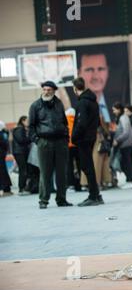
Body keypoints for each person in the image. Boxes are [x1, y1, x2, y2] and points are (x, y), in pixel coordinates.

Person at [28, 81, 72, 209]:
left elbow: (64, 122)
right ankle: (43, 200)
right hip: (44, 142)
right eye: (44, 89)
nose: (46, 92)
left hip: (60, 142)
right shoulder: (35, 106)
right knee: (45, 173)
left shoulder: (59, 104)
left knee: (61, 173)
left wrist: (66, 138)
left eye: (49, 90)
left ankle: (61, 199)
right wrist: (37, 140)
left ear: (54, 91)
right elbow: (31, 126)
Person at [72, 77, 104, 206]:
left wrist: (74, 136)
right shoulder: (93, 101)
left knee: (87, 167)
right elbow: (97, 121)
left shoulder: (82, 103)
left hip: (83, 139)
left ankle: (93, 196)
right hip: (90, 137)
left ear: (75, 88)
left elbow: (81, 123)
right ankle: (96, 195)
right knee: (88, 166)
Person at [78, 52, 112, 124]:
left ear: (108, 71)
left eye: (101, 69)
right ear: (79, 73)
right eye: (89, 70)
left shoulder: (117, 102)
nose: (96, 77)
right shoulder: (73, 106)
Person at [112, 102, 132, 189]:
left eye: (114, 110)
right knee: (124, 162)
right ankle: (129, 179)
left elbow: (126, 132)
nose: (113, 112)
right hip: (123, 144)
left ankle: (130, 181)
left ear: (119, 109)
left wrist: (117, 140)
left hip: (126, 143)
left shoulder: (123, 118)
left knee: (126, 162)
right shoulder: (120, 118)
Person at [12, 116, 32, 195]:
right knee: (23, 170)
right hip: (19, 152)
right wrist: (30, 139)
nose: (28, 122)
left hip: (20, 152)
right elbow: (21, 140)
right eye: (27, 121)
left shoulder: (21, 129)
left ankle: (22, 187)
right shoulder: (19, 129)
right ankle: (21, 188)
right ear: (23, 121)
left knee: (23, 170)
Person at [65, 108, 81, 192]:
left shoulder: (64, 121)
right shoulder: (77, 120)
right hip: (77, 145)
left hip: (67, 145)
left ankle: (71, 184)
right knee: (79, 164)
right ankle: (81, 183)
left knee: (69, 166)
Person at [0, 121, 13, 197]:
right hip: (1, 155)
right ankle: (6, 189)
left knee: (3, 172)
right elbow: (5, 143)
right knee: (3, 172)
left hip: (2, 154)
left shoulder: (3, 133)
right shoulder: (2, 134)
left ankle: (6, 189)